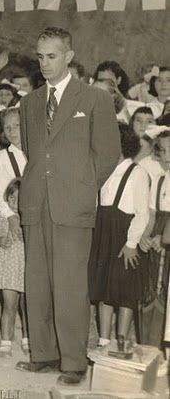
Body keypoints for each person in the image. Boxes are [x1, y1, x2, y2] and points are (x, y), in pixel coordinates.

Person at [15, 26, 120, 387]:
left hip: (73, 206)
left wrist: (80, 187)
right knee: (38, 282)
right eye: (40, 56)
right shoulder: (28, 103)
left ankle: (74, 361)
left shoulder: (94, 99)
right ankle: (43, 354)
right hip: (36, 203)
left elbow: (108, 155)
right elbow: (33, 151)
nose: (45, 63)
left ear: (69, 56)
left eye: (52, 56)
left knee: (71, 286)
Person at [88, 123, 150, 357]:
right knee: (104, 288)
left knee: (124, 291)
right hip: (104, 235)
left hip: (124, 238)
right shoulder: (104, 171)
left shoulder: (137, 172)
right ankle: (104, 340)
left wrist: (131, 243)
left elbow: (142, 213)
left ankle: (121, 340)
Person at [0, 179, 28, 358]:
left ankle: (28, 339)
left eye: (20, 198)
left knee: (27, 307)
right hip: (9, 271)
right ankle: (5, 341)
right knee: (9, 306)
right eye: (12, 197)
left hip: (26, 269)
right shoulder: (4, 218)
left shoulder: (29, 220)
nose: (15, 202)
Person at [139, 130, 170, 346]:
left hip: (167, 239)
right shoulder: (158, 180)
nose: (167, 156)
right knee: (152, 290)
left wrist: (163, 239)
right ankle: (149, 347)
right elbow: (151, 215)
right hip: (157, 238)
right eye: (162, 150)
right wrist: (146, 237)